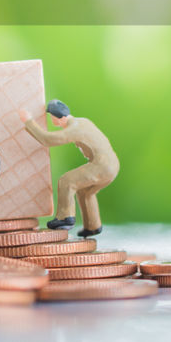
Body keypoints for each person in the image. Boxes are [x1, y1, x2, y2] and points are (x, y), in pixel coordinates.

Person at [19, 100, 119, 238]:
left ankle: (65, 218)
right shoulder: (83, 121)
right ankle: (93, 225)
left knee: (67, 181)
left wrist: (28, 121)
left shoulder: (75, 129)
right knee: (86, 192)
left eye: (52, 117)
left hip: (102, 166)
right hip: (112, 165)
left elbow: (47, 139)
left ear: (61, 118)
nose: (52, 120)